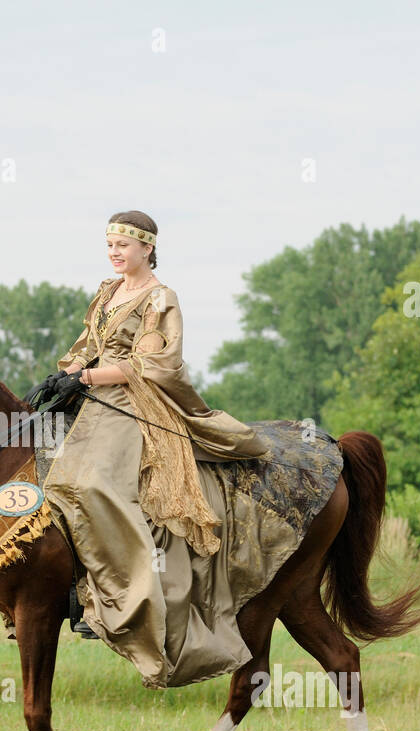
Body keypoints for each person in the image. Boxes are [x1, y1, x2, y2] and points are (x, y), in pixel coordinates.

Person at [32, 211, 268, 682]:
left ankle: (113, 599)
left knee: (90, 482)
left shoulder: (161, 297)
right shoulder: (107, 291)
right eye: (110, 245)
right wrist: (66, 374)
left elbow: (156, 364)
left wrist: (87, 376)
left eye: (124, 245)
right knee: (32, 465)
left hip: (131, 399)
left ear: (147, 249)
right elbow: (86, 344)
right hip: (89, 392)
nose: (115, 253)